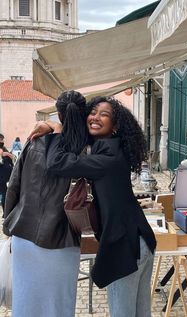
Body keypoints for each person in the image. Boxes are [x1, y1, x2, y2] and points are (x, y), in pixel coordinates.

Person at [29, 96, 157, 317]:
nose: (96, 117)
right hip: (140, 242)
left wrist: (58, 129)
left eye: (104, 115)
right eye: (93, 112)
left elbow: (57, 163)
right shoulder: (110, 150)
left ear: (115, 126)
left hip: (127, 248)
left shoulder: (108, 158)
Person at [3, 90, 88, 317]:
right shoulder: (83, 150)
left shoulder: (34, 142)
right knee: (57, 309)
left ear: (58, 115)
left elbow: (13, 186)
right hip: (62, 241)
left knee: (25, 307)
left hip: (24, 235)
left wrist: (9, 227)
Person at [0, 133, 14, 215]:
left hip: (6, 175)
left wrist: (8, 154)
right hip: (2, 176)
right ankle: (5, 212)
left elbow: (11, 157)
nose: (2, 141)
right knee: (4, 193)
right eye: (1, 139)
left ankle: (6, 212)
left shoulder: (4, 149)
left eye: (2, 139)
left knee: (5, 193)